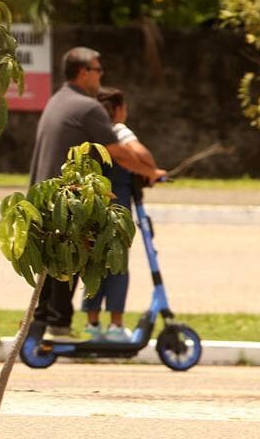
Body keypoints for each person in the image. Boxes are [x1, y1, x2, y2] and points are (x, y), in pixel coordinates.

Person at [29, 47, 166, 342]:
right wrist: (151, 173)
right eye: (97, 69)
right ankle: (58, 325)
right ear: (84, 73)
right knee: (71, 258)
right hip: (67, 198)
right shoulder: (87, 107)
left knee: (57, 261)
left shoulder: (58, 100)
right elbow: (119, 153)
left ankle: (41, 323)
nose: (100, 75)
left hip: (47, 194)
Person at [82, 87, 158, 341]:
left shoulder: (90, 133)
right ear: (117, 110)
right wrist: (153, 171)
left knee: (93, 262)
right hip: (117, 209)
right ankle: (115, 326)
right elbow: (144, 157)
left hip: (92, 205)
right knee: (117, 262)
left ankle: (92, 324)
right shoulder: (118, 132)